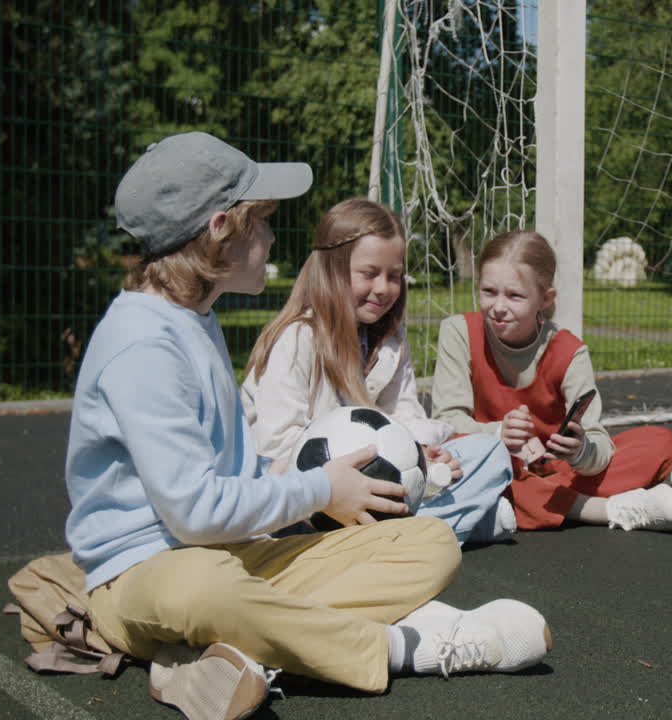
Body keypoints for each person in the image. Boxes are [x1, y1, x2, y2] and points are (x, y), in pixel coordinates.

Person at [65, 132, 550, 720]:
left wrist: (323, 487)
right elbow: (191, 513)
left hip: (236, 551)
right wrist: (322, 488)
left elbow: (236, 474)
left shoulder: (195, 319)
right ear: (221, 228)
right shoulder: (143, 345)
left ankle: (216, 656)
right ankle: (406, 646)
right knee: (207, 587)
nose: (271, 237)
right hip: (147, 571)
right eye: (261, 223)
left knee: (430, 544)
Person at [242, 196, 515, 544]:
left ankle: (406, 537)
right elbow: (277, 448)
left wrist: (421, 453)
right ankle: (443, 531)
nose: (384, 288)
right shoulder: (297, 338)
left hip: (377, 483)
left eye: (394, 276)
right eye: (369, 274)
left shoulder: (390, 341)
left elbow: (403, 414)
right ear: (332, 271)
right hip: (306, 505)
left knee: (489, 452)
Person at [431, 230, 672, 532]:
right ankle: (602, 509)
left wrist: (579, 451)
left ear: (545, 299)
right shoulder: (458, 332)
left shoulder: (569, 352)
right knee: (470, 459)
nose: (498, 306)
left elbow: (599, 445)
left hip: (555, 471)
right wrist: (498, 434)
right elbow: (445, 422)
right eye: (488, 291)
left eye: (515, 295)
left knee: (661, 443)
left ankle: (524, 504)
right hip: (490, 461)